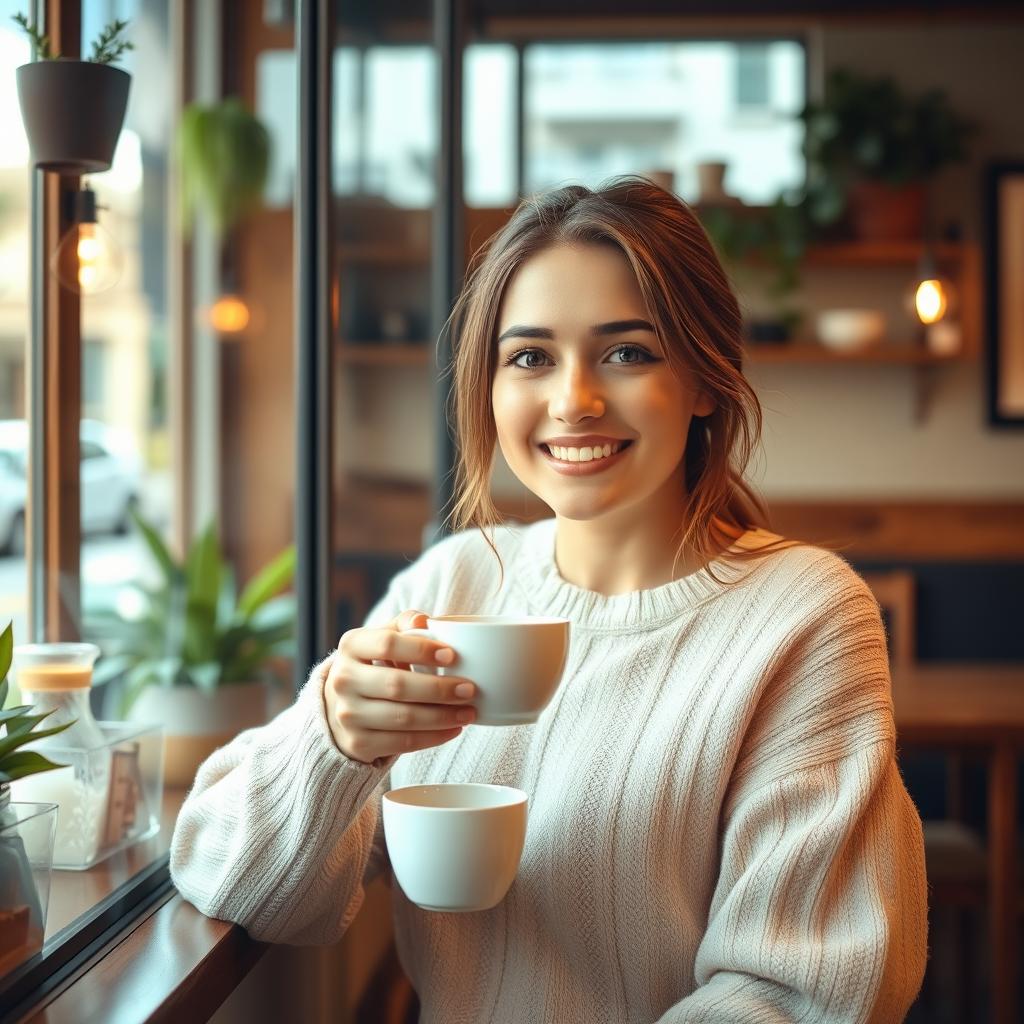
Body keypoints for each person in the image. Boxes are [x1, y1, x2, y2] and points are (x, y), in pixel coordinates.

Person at [171, 177, 928, 1022]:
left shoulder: (804, 613)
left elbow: (800, 995)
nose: (573, 400)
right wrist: (334, 741)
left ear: (706, 379)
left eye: (628, 352)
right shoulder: (453, 582)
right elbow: (234, 879)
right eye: (530, 356)